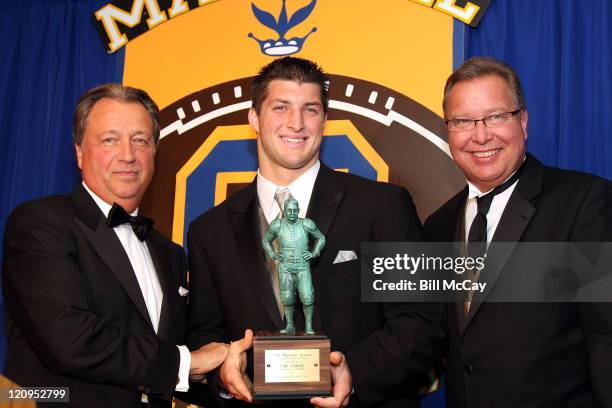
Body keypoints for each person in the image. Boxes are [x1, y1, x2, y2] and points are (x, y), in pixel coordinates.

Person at [186, 56, 445, 408]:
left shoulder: (382, 206)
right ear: (253, 117)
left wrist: (354, 372)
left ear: (324, 120)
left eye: (310, 109)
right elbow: (204, 336)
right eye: (281, 107)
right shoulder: (209, 231)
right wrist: (222, 374)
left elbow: (421, 320)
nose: (296, 123)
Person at [2, 84, 228, 407]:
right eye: (110, 140)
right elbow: (70, 339)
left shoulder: (172, 255)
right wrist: (185, 363)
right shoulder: (39, 224)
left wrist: (233, 374)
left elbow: (178, 367)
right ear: (79, 152)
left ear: (154, 152)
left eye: (140, 140)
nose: (127, 155)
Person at [425, 57, 612, 407]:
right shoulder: (437, 226)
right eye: (463, 121)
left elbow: (606, 338)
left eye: (496, 116)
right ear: (448, 130)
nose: (480, 135)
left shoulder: (583, 203)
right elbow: (430, 337)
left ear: (522, 121)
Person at [262, 197, 325, 335]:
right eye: (289, 210)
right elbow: (266, 240)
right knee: (287, 297)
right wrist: (273, 254)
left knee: (308, 297)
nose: (292, 213)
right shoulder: (277, 225)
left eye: (295, 210)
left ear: (298, 210)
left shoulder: (306, 223)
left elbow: (321, 237)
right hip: (285, 267)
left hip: (303, 266)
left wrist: (315, 252)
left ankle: (308, 326)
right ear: (284, 210)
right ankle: (290, 325)